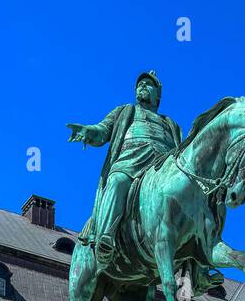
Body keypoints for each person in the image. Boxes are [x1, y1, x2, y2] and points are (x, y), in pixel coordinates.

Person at [67, 72, 181, 269]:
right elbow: (102, 131)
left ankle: (196, 269)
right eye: (140, 84)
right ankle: (106, 238)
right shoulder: (124, 111)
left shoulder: (171, 124)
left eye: (148, 85)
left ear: (158, 95)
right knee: (117, 181)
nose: (142, 87)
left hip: (163, 169)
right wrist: (88, 132)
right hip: (130, 161)